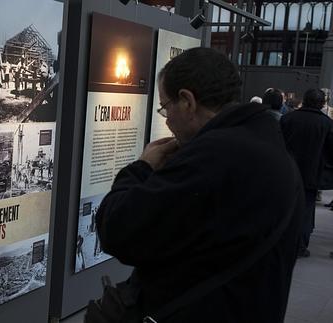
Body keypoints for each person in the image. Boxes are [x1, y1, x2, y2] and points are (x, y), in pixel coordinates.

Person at [94, 48, 303, 322]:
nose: (166, 119)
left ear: (187, 101)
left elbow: (117, 228)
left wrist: (141, 168)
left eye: (165, 107)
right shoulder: (268, 145)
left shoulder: (214, 156)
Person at [280, 88, 333, 257]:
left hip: (287, 170)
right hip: (312, 173)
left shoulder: (288, 118)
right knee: (306, 209)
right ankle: (300, 244)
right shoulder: (326, 124)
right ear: (322, 103)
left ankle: (283, 241)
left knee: (286, 206)